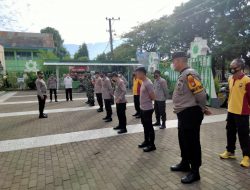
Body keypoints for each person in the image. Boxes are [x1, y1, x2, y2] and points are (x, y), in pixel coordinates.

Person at [170, 51, 211, 184]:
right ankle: (185, 163)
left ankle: (195, 172)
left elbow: (201, 95)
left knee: (192, 142)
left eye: (173, 61)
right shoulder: (183, 74)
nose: (173, 64)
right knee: (184, 140)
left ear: (179, 61)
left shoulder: (189, 74)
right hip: (184, 114)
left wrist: (203, 107)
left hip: (190, 113)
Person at [219, 58, 250, 168]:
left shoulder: (247, 80)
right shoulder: (230, 79)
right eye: (231, 67)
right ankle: (230, 152)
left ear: (240, 67)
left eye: (234, 67)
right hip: (231, 111)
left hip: (242, 112)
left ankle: (247, 156)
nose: (231, 69)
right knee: (230, 132)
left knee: (244, 135)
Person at [136, 67, 156, 152]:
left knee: (149, 127)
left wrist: (147, 101)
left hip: (147, 109)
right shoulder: (143, 82)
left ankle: (152, 145)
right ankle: (146, 141)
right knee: (145, 126)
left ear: (142, 73)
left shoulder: (148, 83)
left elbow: (153, 97)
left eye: (137, 73)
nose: (136, 75)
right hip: (142, 108)